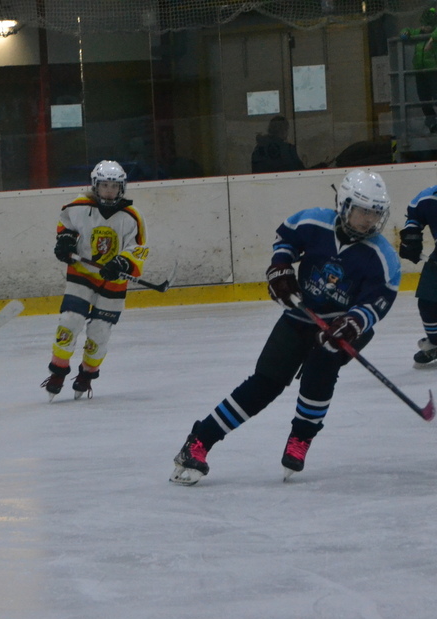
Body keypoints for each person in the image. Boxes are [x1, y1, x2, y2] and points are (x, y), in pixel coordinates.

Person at [170, 168, 399, 485]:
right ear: (344, 204)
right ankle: (199, 441)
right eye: (362, 211)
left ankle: (301, 437)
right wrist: (280, 268)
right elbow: (286, 239)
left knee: (320, 372)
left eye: (375, 213)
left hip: (343, 327)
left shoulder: (382, 256)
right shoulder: (313, 222)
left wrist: (354, 322)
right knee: (265, 383)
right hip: (301, 316)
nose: (369, 220)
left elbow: (378, 300)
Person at [42, 159, 149, 400]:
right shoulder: (77, 206)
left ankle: (87, 374)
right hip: (81, 274)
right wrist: (65, 241)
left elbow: (139, 248)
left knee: (99, 332)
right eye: (104, 186)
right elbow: (65, 225)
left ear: (122, 188)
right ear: (95, 185)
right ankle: (58, 371)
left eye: (114, 186)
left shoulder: (132, 216)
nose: (109, 191)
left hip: (112, 282)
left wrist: (122, 263)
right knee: (69, 321)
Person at [398, 184, 437, 367]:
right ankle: (435, 343)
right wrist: (411, 237)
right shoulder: (429, 197)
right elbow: (416, 214)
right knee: (428, 303)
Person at [401, 8, 437, 134]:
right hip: (420, 70)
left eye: (427, 25)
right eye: (423, 24)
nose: (424, 28)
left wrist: (432, 39)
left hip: (433, 70)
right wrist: (405, 32)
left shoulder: (434, 32)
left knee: (436, 96)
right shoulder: (419, 32)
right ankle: (432, 122)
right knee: (424, 99)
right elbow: (408, 30)